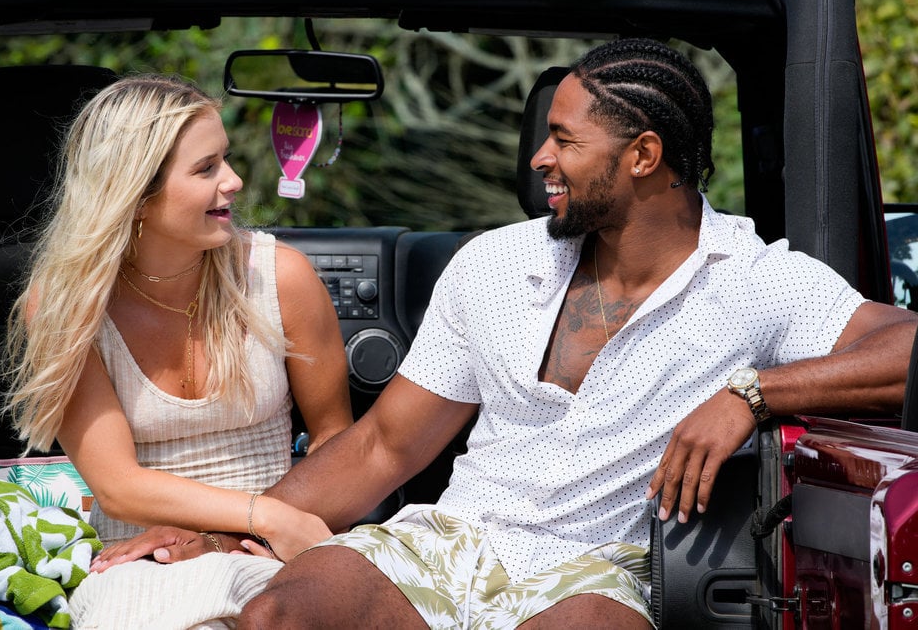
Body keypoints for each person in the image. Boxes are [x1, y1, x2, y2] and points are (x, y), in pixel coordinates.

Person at [100, 38, 918, 628]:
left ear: (642, 155)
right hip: (448, 542)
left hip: (598, 570)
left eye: (564, 140)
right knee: (282, 613)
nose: (539, 159)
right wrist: (222, 532)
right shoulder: (494, 264)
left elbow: (906, 345)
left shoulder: (752, 279)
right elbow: (384, 446)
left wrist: (754, 391)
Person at [0, 73, 353, 629]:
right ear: (135, 195)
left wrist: (248, 534)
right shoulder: (62, 307)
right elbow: (118, 486)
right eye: (206, 168)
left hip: (268, 549)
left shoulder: (281, 276)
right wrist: (261, 516)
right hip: (145, 564)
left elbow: (337, 442)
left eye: (226, 160)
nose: (234, 181)